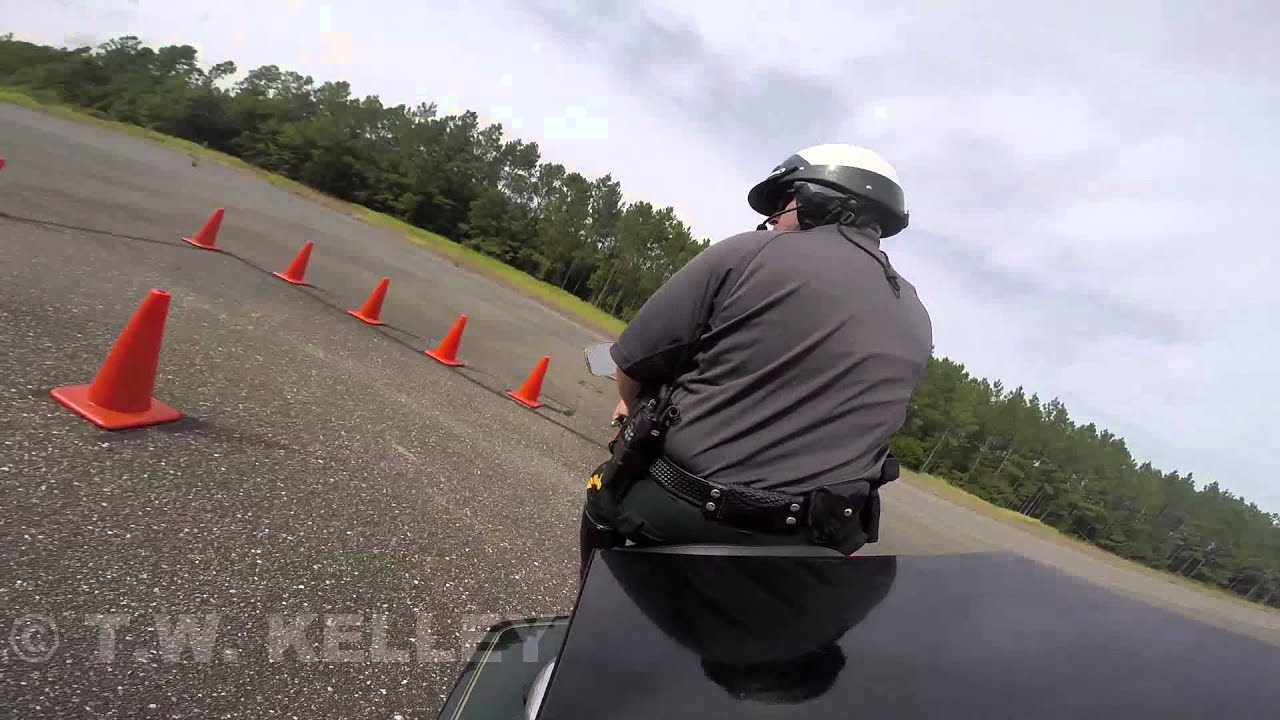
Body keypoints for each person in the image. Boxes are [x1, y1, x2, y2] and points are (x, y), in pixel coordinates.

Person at [579, 143, 934, 576]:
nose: (775, 221)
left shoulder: (751, 252)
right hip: (819, 539)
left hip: (693, 511)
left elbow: (631, 364)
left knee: (603, 495)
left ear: (811, 199)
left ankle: (592, 611)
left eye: (781, 206)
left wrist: (632, 405)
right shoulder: (916, 313)